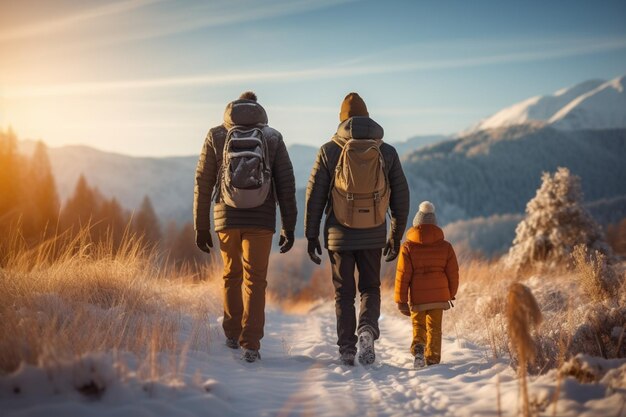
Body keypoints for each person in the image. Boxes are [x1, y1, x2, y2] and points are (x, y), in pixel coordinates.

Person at [305, 92, 409, 366]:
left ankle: (347, 349)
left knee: (344, 292)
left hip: (338, 234)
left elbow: (315, 195)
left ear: (342, 119)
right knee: (370, 288)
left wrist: (311, 233)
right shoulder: (386, 151)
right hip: (374, 231)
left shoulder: (329, 150)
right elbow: (401, 195)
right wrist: (395, 236)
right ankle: (367, 330)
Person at [194, 91, 297, 363]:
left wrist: (201, 225)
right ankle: (251, 343)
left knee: (231, 274)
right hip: (261, 218)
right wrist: (289, 226)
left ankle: (231, 333)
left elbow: (203, 181)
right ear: (258, 108)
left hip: (226, 215)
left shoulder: (216, 134)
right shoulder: (273, 137)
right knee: (256, 280)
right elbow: (286, 185)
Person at [394, 201, 459, 368]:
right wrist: (450, 293)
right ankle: (433, 358)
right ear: (434, 224)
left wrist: (401, 300)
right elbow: (453, 274)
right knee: (435, 328)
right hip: (439, 297)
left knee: (419, 326)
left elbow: (403, 275)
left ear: (416, 224)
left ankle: (418, 351)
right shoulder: (446, 247)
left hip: (418, 297)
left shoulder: (408, 247)